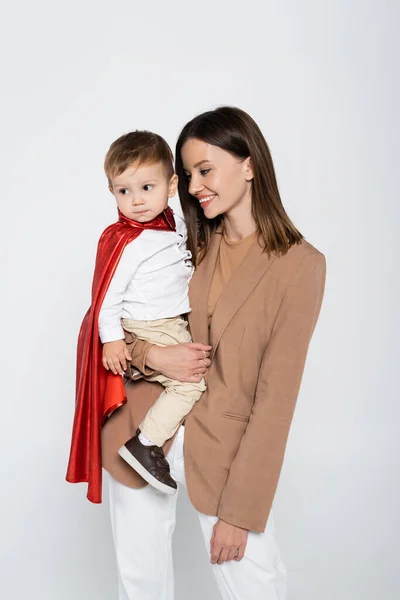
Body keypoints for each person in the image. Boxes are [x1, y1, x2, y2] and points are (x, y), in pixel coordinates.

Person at [102, 106, 326, 600]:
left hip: (224, 452)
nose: (195, 186)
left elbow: (275, 401)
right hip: (141, 429)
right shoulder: (187, 245)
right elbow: (113, 325)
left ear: (249, 165)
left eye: (206, 170)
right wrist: (155, 359)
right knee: (140, 586)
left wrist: (241, 512)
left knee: (256, 586)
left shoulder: (300, 266)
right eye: (187, 176)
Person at [66, 130, 206, 500]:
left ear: (172, 184)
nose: (137, 201)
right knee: (192, 384)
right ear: (112, 191)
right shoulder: (128, 240)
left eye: (147, 187)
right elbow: (107, 296)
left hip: (169, 322)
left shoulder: (171, 226)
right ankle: (147, 442)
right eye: (123, 191)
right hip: (150, 325)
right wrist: (111, 338)